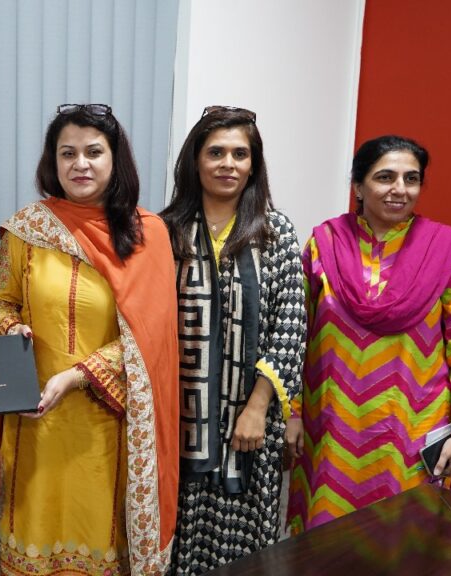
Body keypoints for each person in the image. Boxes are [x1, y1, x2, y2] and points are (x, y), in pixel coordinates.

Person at [0, 104, 180, 575]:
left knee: (97, 535)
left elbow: (150, 336)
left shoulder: (148, 234)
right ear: (53, 161)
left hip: (108, 421)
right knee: (34, 536)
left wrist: (80, 375)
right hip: (34, 416)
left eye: (93, 152)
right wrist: (10, 328)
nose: (80, 164)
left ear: (115, 160)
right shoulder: (27, 230)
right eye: (68, 153)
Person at [286, 135, 451, 534]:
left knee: (403, 539)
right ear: (358, 186)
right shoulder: (324, 244)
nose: (400, 189)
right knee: (326, 544)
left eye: (411, 178)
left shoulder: (447, 250)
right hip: (330, 426)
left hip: (412, 427)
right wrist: (291, 412)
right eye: (385, 177)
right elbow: (297, 335)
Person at [159, 106, 306, 574]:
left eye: (240, 154)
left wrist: (257, 408)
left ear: (253, 163)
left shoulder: (275, 232)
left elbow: (289, 327)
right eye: (216, 152)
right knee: (176, 530)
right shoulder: (165, 231)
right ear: (195, 160)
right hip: (180, 415)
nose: (228, 164)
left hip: (252, 419)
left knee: (245, 540)